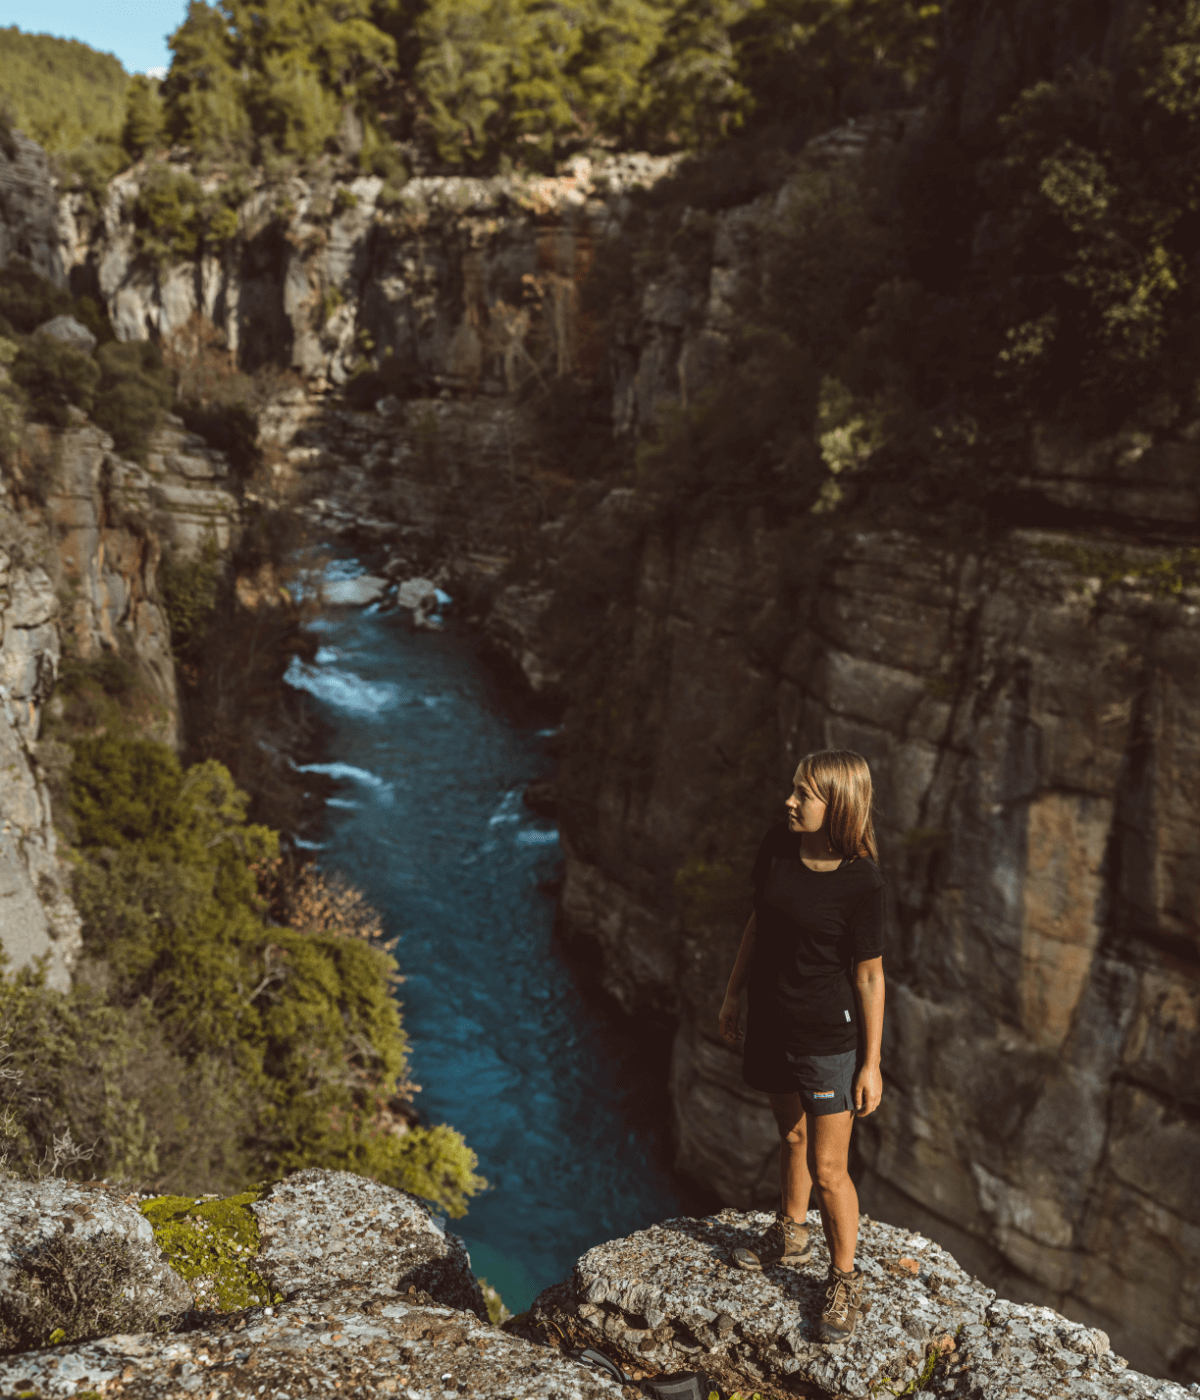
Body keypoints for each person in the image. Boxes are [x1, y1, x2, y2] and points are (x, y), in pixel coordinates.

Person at [718, 749, 886, 1344]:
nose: (789, 801)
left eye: (803, 794)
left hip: (826, 1039)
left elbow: (869, 975)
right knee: (789, 1136)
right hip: (769, 1022)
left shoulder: (862, 880)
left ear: (836, 804)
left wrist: (870, 1063)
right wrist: (734, 994)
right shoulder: (778, 846)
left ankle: (844, 1279)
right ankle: (791, 1231)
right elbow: (758, 923)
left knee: (829, 1167)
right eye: (793, 789)